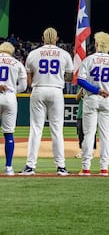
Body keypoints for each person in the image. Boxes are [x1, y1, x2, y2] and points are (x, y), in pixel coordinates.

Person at [21, 27, 75, 175]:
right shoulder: (64, 54)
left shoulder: (33, 54)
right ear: (57, 38)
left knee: (36, 129)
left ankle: (30, 166)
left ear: (43, 38)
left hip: (38, 89)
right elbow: (70, 77)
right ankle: (61, 166)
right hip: (56, 90)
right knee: (57, 130)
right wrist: (58, 77)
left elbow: (29, 80)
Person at [76, 31, 109, 175]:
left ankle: (86, 167)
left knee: (89, 134)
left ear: (96, 44)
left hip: (91, 98)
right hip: (107, 99)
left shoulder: (89, 59)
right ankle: (104, 168)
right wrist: (106, 87)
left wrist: (96, 90)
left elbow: (80, 81)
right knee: (105, 135)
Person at [0, 41, 27, 175]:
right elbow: (23, 86)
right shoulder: (17, 63)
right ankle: (9, 167)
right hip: (10, 97)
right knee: (9, 133)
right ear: (11, 51)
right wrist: (11, 89)